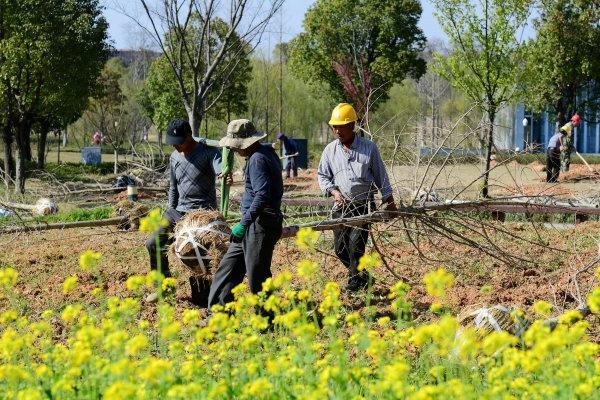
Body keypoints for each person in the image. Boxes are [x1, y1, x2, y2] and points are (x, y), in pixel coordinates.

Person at [317, 103, 397, 292]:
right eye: (334, 126)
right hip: (340, 206)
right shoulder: (330, 150)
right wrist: (333, 191)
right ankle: (363, 277)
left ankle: (354, 284)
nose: (337, 130)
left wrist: (389, 200)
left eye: (341, 126)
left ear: (352, 125)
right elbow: (322, 175)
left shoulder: (369, 148)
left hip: (362, 204)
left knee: (355, 246)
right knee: (340, 249)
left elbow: (380, 175)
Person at [145, 119, 223, 304]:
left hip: (202, 212)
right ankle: (164, 287)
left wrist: (224, 174)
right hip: (178, 211)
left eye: (179, 142)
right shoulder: (174, 157)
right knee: (153, 243)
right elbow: (174, 186)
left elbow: (220, 168)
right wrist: (171, 209)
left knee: (194, 252)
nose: (177, 147)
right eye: (173, 144)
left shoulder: (209, 152)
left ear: (189, 136)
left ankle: (202, 298)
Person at [208, 119, 283, 309]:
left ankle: (268, 320)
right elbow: (259, 186)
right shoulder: (264, 153)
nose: (234, 150)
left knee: (258, 276)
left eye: (235, 146)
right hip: (252, 224)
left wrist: (244, 223)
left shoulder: (257, 158)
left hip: (260, 224)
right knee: (228, 269)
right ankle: (219, 315)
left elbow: (262, 195)